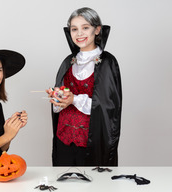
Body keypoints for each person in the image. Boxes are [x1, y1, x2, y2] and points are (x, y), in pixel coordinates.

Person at [47, 7, 122, 166]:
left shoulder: (108, 62)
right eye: (74, 29)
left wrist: (74, 99)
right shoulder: (68, 61)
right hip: (64, 139)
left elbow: (108, 107)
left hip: (91, 142)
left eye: (85, 27)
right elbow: (58, 104)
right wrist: (57, 98)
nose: (79, 34)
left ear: (97, 30)